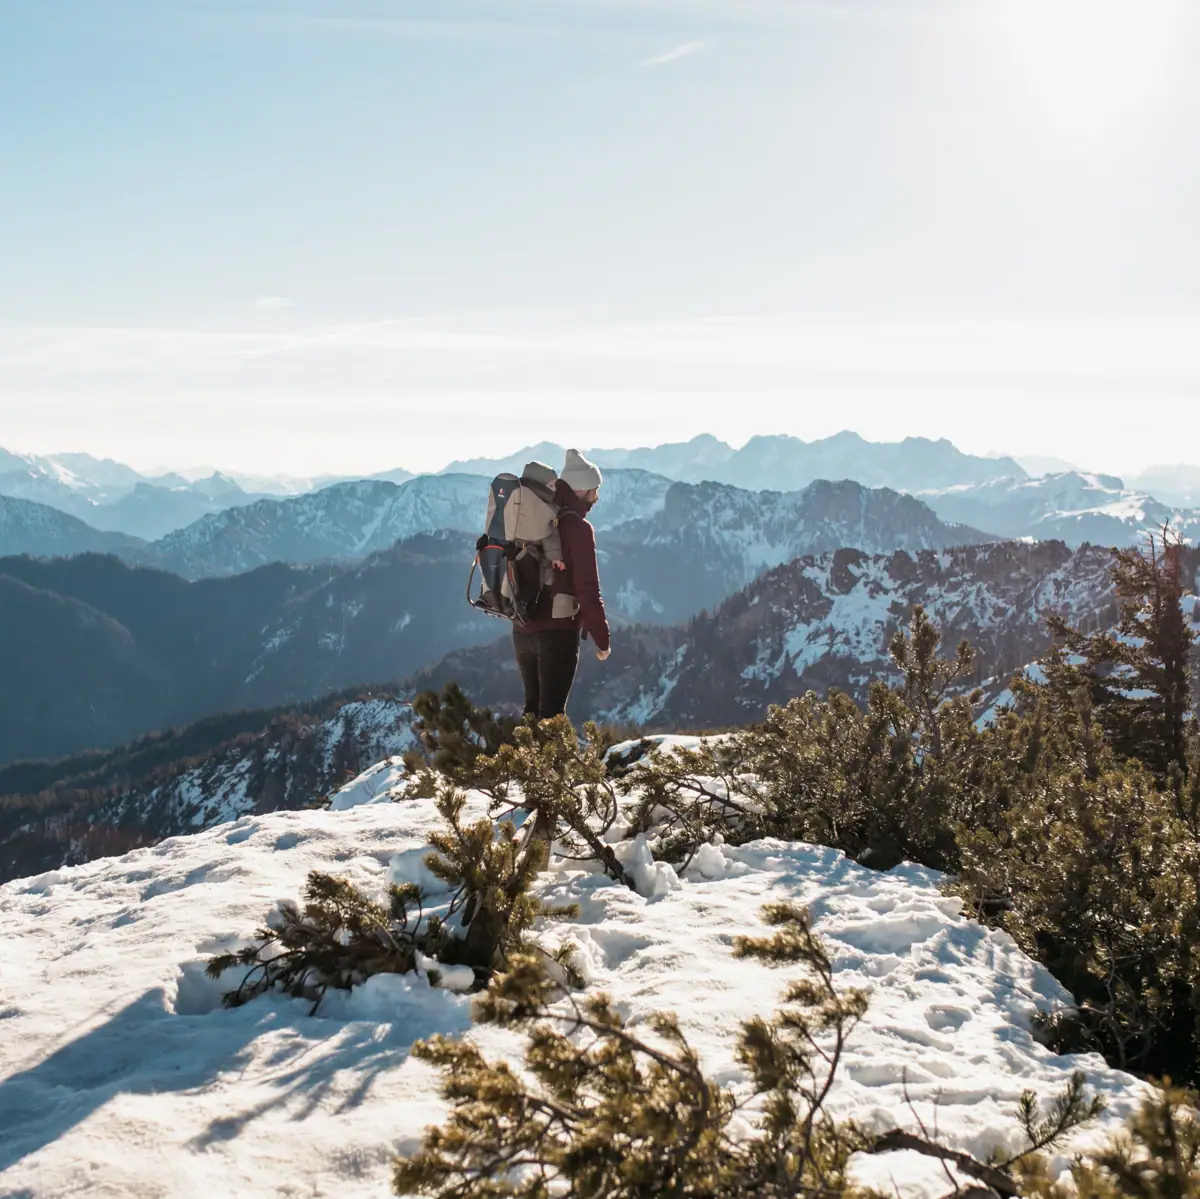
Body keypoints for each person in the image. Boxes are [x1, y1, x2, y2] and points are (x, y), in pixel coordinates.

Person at [512, 448, 611, 721]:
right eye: (594, 491)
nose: (596, 499)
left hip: (522, 627)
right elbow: (587, 588)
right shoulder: (577, 528)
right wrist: (602, 638)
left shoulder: (539, 518)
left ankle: (518, 764)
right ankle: (547, 766)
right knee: (552, 717)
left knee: (531, 711)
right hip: (558, 632)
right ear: (582, 490)